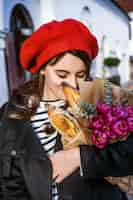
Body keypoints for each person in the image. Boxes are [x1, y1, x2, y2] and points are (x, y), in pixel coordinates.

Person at [0, 18, 133, 200]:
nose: (72, 83)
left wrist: (80, 157)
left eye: (80, 74)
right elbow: (10, 182)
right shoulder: (14, 113)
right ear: (43, 69)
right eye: (62, 74)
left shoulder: (102, 96)